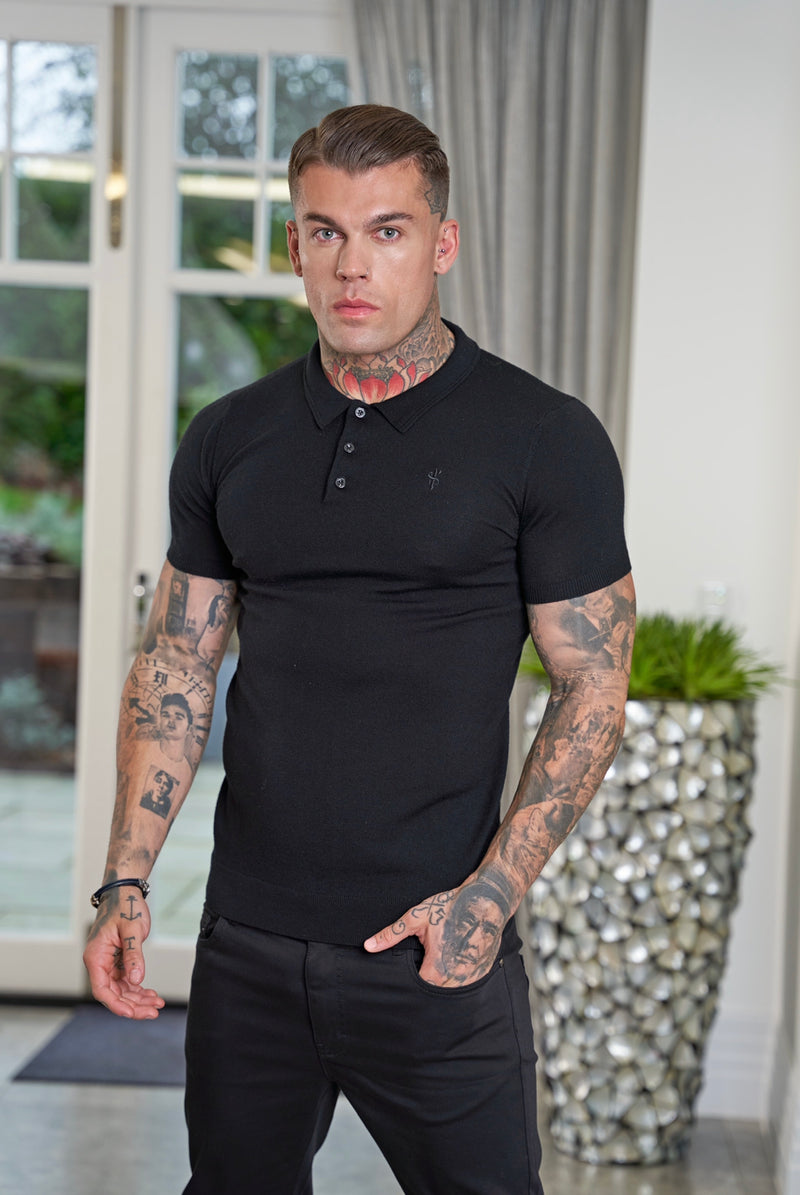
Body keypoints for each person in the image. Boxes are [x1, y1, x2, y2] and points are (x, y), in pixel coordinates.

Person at [83, 104, 635, 1195]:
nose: (352, 264)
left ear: (442, 243)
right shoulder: (229, 435)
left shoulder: (544, 437)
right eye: (325, 230)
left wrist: (490, 896)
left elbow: (591, 683)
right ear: (293, 244)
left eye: (387, 230)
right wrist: (124, 878)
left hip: (434, 944)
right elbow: (177, 665)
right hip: (248, 942)